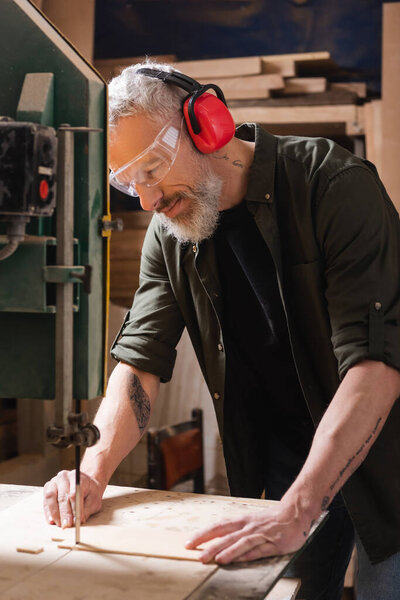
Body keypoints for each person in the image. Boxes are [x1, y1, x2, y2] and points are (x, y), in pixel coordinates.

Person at [43, 61, 400, 600]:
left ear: (207, 124)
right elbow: (140, 362)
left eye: (154, 167)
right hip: (287, 458)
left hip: (387, 454)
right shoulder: (170, 235)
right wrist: (93, 472)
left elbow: (375, 366)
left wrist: (299, 509)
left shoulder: (333, 185)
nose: (148, 200)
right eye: (128, 182)